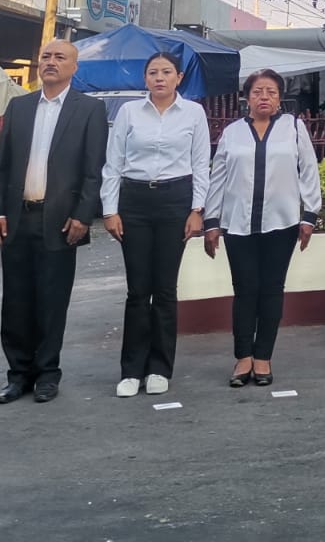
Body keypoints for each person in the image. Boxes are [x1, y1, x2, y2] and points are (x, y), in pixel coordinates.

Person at [0, 38, 108, 405]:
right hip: (18, 217)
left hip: (60, 220)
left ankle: (47, 373)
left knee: (52, 300)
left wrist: (83, 215)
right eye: (46, 56)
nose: (51, 62)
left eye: (60, 57)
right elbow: (1, 166)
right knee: (16, 300)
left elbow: (92, 170)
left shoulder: (89, 110)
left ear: (74, 67)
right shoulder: (20, 106)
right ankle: (18, 374)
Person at [101, 51, 211, 398]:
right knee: (137, 290)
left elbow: (201, 164)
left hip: (175, 201)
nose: (159, 78)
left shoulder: (193, 112)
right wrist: (110, 209)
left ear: (179, 77)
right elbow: (113, 162)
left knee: (164, 289)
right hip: (134, 201)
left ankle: (160, 368)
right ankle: (131, 370)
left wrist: (197, 209)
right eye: (152, 72)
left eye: (166, 72)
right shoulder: (129, 112)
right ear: (144, 78)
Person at [203, 68, 322, 387]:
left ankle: (263, 357)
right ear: (247, 98)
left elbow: (309, 171)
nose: (264, 97)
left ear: (280, 97)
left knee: (271, 291)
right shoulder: (232, 132)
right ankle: (242, 357)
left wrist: (309, 215)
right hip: (238, 224)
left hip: (281, 223)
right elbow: (219, 177)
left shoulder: (294, 128)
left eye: (270, 91)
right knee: (244, 291)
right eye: (257, 92)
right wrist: (211, 222)